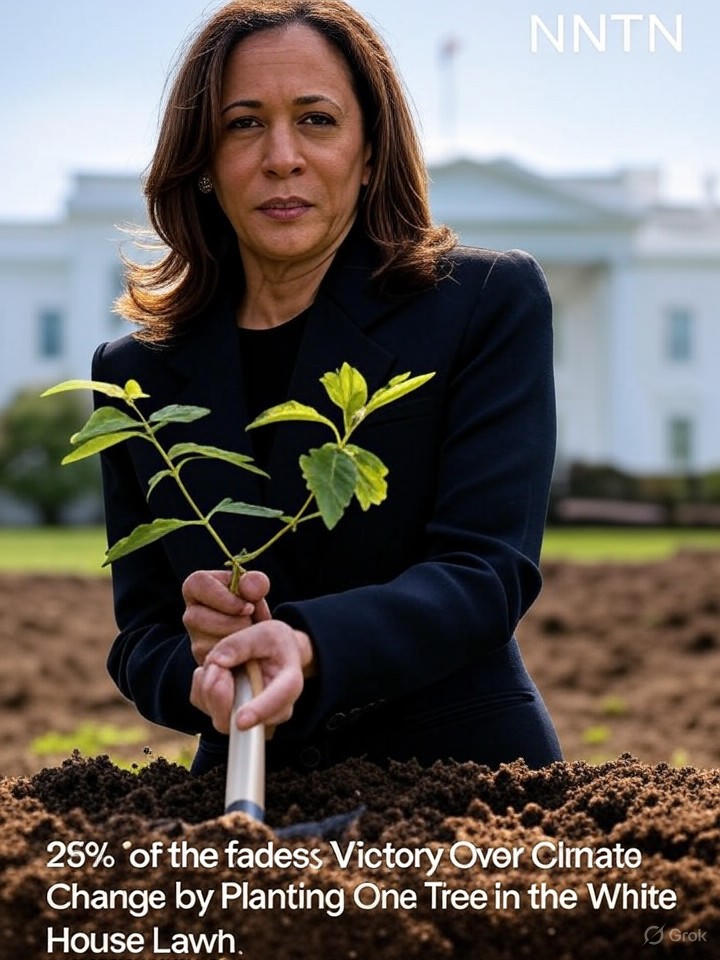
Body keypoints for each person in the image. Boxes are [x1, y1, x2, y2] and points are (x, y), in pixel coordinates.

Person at [92, 0, 563, 777]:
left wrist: (307, 644)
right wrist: (201, 672)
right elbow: (142, 636)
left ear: (371, 151)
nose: (282, 156)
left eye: (317, 120)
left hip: (459, 782)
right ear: (203, 161)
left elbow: (487, 573)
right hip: (246, 786)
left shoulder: (486, 302)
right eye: (244, 124)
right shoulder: (134, 375)